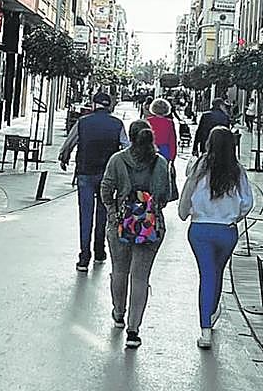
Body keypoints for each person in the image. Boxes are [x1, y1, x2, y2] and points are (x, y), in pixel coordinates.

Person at [179, 126, 253, 350]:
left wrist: (185, 212)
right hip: (226, 232)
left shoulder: (199, 166)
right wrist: (234, 216)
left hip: (200, 230)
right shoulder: (237, 171)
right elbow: (248, 202)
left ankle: (206, 328)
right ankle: (211, 312)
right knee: (216, 272)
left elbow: (188, 190)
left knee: (207, 274)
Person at [100, 120, 172, 350]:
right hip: (150, 228)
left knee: (119, 270)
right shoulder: (160, 163)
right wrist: (149, 208)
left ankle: (118, 312)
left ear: (130, 137)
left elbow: (105, 189)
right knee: (140, 277)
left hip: (120, 223)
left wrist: (113, 211)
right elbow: (165, 195)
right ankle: (134, 329)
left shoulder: (117, 160)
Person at [60, 91, 128, 272]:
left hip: (85, 173)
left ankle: (84, 257)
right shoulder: (117, 124)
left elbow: (69, 142)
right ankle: (99, 250)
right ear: (109, 105)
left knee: (85, 215)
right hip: (108, 177)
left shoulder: (83, 122)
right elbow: (126, 147)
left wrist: (64, 157)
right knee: (103, 213)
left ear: (93, 103)